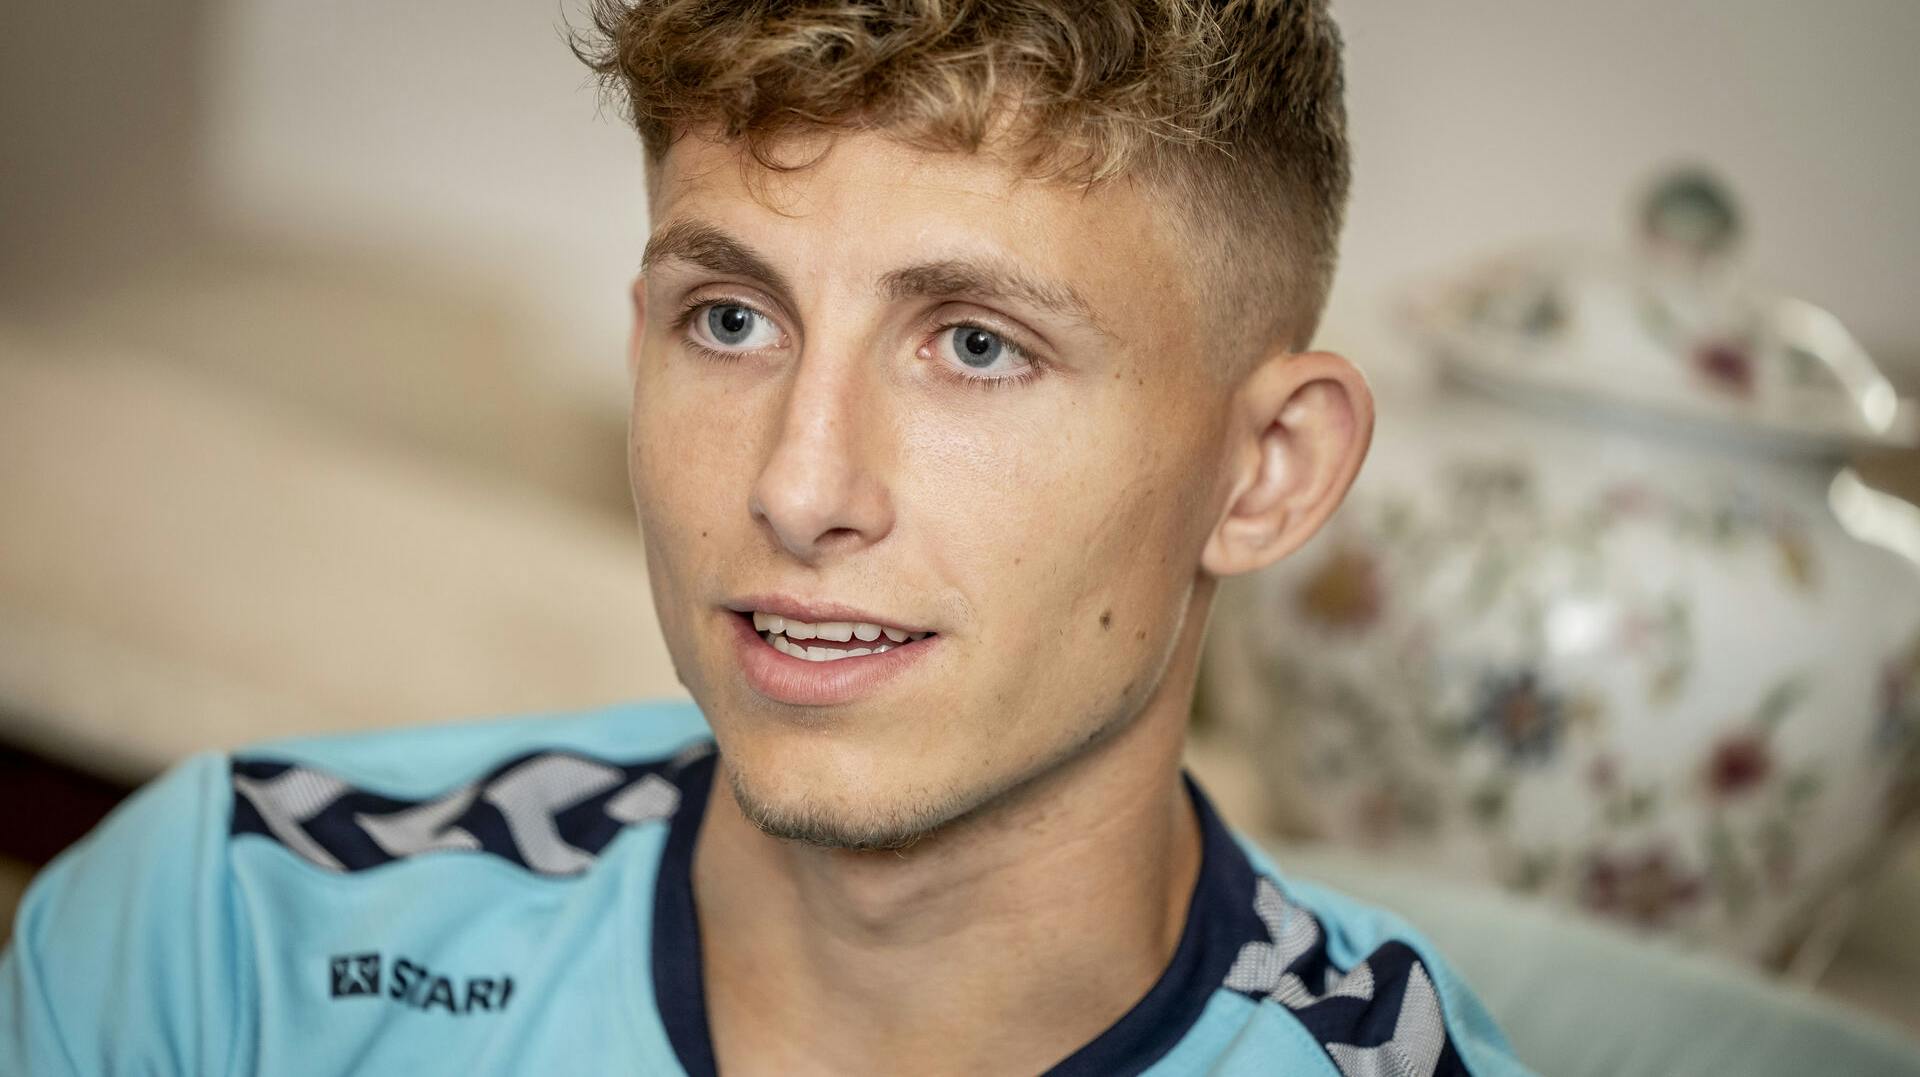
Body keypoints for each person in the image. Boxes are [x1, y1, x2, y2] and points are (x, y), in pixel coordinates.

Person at [1, 1, 1533, 1073]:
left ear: (1266, 471)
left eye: (977, 345)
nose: (799, 489)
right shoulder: (225, 941)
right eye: (729, 319)